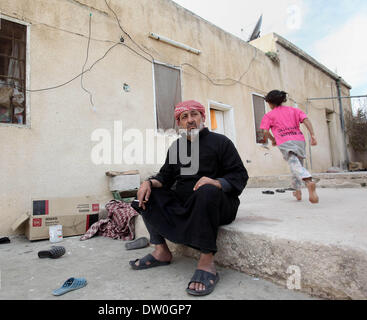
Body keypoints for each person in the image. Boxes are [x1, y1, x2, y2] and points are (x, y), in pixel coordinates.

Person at [130, 100, 249, 296]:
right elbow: (164, 178)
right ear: (179, 123)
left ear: (202, 117)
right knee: (148, 195)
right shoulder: (176, 147)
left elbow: (239, 175)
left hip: (218, 202)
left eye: (194, 114)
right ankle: (161, 251)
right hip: (186, 203)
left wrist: (216, 182)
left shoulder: (221, 142)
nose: (190, 120)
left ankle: (207, 261)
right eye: (184, 117)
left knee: (207, 191)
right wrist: (148, 182)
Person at [260, 90, 319, 204]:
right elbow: (306, 120)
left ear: (271, 103)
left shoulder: (269, 115)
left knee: (294, 165)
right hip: (299, 140)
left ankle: (308, 181)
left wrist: (273, 140)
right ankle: (297, 191)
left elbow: (265, 132)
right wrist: (312, 135)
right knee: (297, 165)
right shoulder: (294, 110)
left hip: (284, 141)